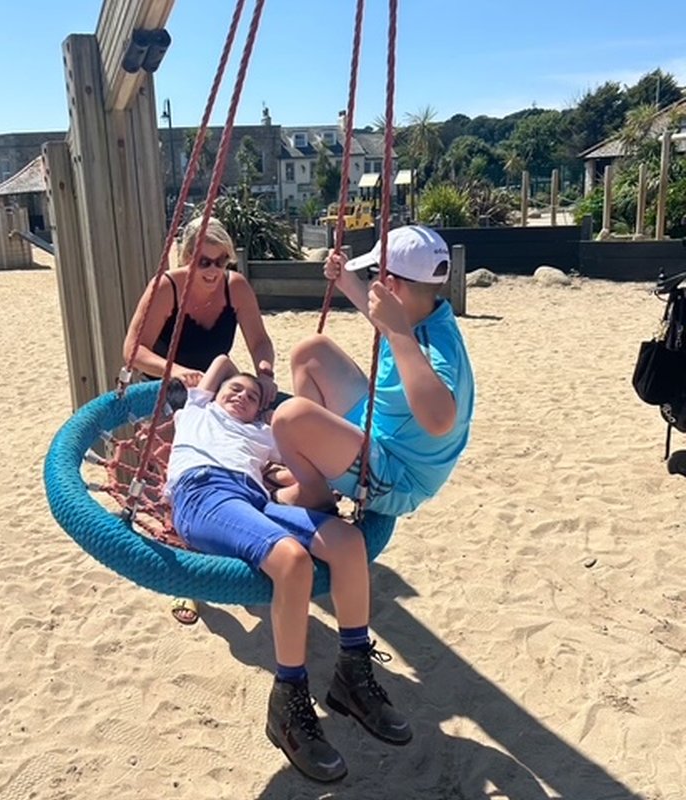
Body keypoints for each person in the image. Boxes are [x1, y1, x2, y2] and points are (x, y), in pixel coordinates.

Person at [167, 354, 412, 783]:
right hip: (203, 493)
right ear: (215, 394)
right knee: (292, 561)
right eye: (233, 390)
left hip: (255, 500)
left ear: (262, 410)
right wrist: (258, 378)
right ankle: (288, 701)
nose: (240, 395)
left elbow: (308, 456)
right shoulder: (196, 412)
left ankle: (352, 675)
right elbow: (222, 361)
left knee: (348, 542)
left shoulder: (264, 434)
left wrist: (284, 469)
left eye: (250, 396)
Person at [123, 215, 278, 625]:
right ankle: (187, 583)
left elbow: (258, 339)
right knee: (175, 484)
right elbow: (133, 350)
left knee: (231, 465)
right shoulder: (166, 288)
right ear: (187, 258)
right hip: (167, 387)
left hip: (212, 388)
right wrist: (173, 369)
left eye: (221, 260)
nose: (213, 270)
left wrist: (264, 371)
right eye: (204, 262)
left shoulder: (235, 287)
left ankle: (238, 550)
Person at [271, 224, 474, 517]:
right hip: (381, 429)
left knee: (289, 416)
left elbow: (440, 419)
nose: (368, 285)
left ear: (389, 286)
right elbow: (386, 319)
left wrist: (398, 332)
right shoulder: (424, 312)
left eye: (371, 277)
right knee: (311, 352)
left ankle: (314, 492)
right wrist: (347, 281)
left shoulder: (426, 343)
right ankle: (314, 469)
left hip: (396, 474)